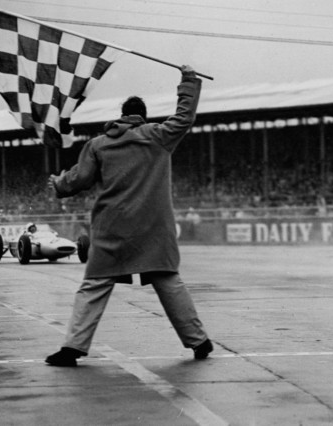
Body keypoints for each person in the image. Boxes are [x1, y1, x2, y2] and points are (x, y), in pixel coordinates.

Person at [45, 65, 212, 367]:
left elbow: (79, 179)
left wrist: (58, 184)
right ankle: (199, 341)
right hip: (153, 227)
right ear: (143, 117)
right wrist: (188, 81)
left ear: (121, 116)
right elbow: (184, 117)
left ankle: (72, 347)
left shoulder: (98, 144)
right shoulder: (158, 136)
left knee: (94, 285)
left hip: (112, 227)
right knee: (168, 280)